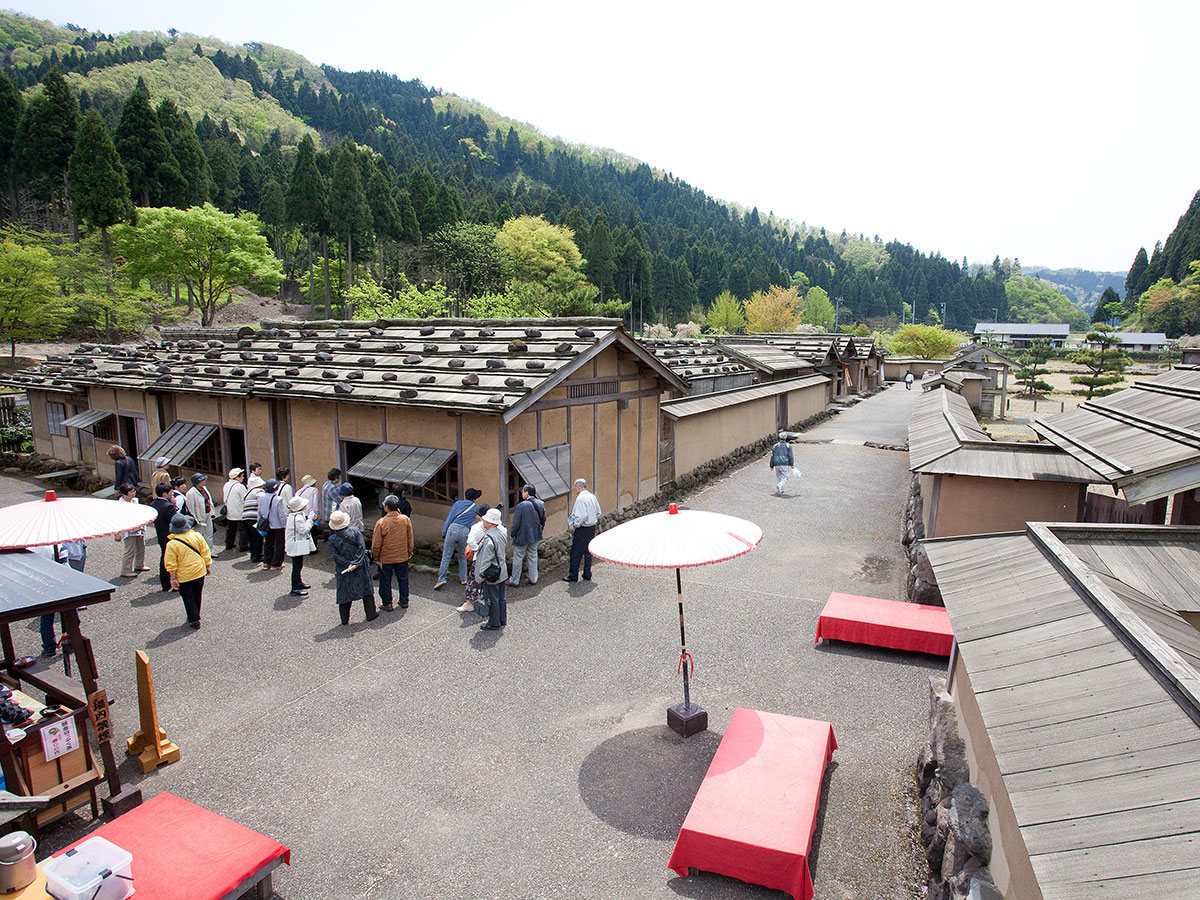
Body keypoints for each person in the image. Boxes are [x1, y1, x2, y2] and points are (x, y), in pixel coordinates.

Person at [328, 510, 379, 625]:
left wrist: (347, 564)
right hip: (360, 565)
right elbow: (362, 548)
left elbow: (335, 556)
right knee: (366, 590)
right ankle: (371, 614)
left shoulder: (332, 539)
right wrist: (356, 562)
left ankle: (345, 619)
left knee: (344, 593)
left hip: (344, 568)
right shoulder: (355, 532)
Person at [163, 514, 211, 629]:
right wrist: (207, 565)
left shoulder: (172, 544)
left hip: (184, 574)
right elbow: (205, 551)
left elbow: (171, 563)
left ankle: (194, 619)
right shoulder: (197, 536)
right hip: (199, 570)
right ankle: (196, 613)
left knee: (187, 596)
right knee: (197, 593)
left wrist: (173, 578)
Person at [372, 494, 414, 611]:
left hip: (386, 558)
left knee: (385, 580)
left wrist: (376, 556)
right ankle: (404, 600)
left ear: (386, 508)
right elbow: (410, 538)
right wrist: (409, 551)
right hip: (402, 555)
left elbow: (376, 544)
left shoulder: (382, 522)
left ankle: (387, 603)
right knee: (403, 578)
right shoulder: (405, 519)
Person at [436, 488, 482, 590]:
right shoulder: (476, 507)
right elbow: (473, 523)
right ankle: (463, 578)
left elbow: (450, 518)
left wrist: (444, 532)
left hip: (453, 528)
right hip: (465, 531)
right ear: (474, 498)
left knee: (446, 556)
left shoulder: (457, 504)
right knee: (462, 556)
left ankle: (441, 578)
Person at [474, 508, 509, 631]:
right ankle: (502, 619)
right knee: (501, 596)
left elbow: (485, 561)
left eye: (486, 520)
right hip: (502, 569)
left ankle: (494, 622)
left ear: (491, 523)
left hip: (492, 572)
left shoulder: (489, 539)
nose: (483, 521)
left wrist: (480, 575)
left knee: (492, 598)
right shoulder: (502, 532)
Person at [563, 478, 601, 583]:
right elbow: (598, 512)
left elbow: (581, 515)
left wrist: (575, 525)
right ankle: (587, 573)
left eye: (575, 486)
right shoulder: (592, 497)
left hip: (583, 528)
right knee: (588, 551)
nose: (574, 488)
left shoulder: (580, 499)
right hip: (591, 527)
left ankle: (573, 575)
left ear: (579, 487)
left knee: (576, 553)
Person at [508, 484, 545, 587]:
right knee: (533, 556)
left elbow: (516, 523)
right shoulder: (541, 503)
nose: (521, 493)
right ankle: (533, 578)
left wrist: (512, 534)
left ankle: (514, 580)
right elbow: (543, 519)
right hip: (536, 534)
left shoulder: (521, 506)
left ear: (527, 493)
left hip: (523, 535)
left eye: (523, 492)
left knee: (518, 557)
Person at [456, 505, 490, 614]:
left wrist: (477, 550)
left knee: (473, 579)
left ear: (480, 516)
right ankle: (486, 600)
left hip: (480, 558)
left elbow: (470, 541)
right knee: (488, 580)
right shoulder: (496, 526)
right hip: (491, 558)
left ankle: (469, 603)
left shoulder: (477, 527)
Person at [115, 483, 149, 577]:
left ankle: (139, 564)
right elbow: (116, 520)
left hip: (139, 527)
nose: (133, 493)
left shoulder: (135, 501)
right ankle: (126, 570)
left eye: (134, 491)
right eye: (131, 492)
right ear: (124, 494)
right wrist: (116, 534)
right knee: (129, 550)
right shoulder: (120, 505)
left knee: (141, 547)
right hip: (127, 529)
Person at [284, 496, 315, 597]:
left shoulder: (295, 515)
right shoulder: (297, 518)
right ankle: (295, 587)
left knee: (299, 564)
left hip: (298, 542)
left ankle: (299, 582)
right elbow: (304, 530)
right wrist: (310, 520)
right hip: (296, 544)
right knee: (296, 566)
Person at [150, 482, 177, 592]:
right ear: (165, 494)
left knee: (164, 558)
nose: (172, 494)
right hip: (170, 536)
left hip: (161, 535)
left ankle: (165, 584)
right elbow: (175, 520)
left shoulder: (154, 504)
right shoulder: (168, 506)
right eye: (171, 492)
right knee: (172, 560)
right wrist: (174, 505)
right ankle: (174, 583)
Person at [257, 478, 287, 570]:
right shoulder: (279, 499)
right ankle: (276, 563)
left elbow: (259, 512)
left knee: (268, 543)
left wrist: (259, 523)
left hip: (266, 524)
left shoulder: (261, 497)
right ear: (276, 488)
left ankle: (266, 562)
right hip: (278, 525)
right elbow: (282, 514)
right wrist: (285, 525)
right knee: (279, 544)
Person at [184, 472, 215, 548]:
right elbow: (191, 508)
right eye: (202, 480)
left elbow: (209, 500)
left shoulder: (204, 488)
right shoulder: (191, 493)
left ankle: (210, 551)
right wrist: (195, 520)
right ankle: (199, 552)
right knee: (199, 535)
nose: (204, 482)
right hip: (199, 516)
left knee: (209, 533)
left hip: (208, 513)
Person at [241, 473, 266, 562]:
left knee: (251, 537)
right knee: (258, 537)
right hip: (254, 517)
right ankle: (256, 556)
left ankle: (253, 553)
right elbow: (262, 502)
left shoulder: (248, 493)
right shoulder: (259, 491)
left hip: (245, 517)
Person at [222, 467, 247, 553]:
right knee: (243, 530)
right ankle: (243, 546)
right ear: (237, 477)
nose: (243, 477)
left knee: (231, 529)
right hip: (239, 512)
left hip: (229, 511)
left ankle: (229, 544)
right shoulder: (240, 487)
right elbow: (245, 500)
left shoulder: (226, 485)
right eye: (242, 476)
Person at [319, 468, 341, 541]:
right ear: (336, 477)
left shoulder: (326, 484)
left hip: (326, 512)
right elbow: (339, 500)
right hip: (331, 513)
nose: (340, 478)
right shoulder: (332, 488)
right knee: (335, 533)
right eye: (339, 476)